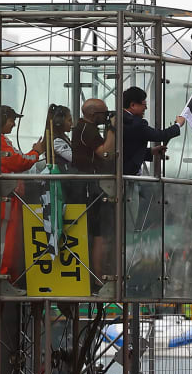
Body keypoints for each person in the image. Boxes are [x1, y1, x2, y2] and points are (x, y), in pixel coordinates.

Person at [0, 107, 43, 294]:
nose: (14, 124)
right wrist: (36, 152)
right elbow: (18, 161)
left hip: (5, 197)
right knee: (2, 241)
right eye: (12, 120)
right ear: (4, 119)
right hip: (2, 198)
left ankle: (3, 281)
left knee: (6, 242)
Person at [72, 98, 117, 283]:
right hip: (91, 188)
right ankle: (98, 276)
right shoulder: (87, 130)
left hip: (90, 187)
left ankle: (96, 275)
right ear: (92, 114)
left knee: (98, 234)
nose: (105, 117)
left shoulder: (83, 128)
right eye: (103, 114)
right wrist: (112, 129)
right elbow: (106, 152)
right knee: (99, 235)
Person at [117, 86, 182, 176]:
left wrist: (151, 151)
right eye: (144, 104)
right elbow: (160, 135)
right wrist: (178, 125)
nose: (146, 108)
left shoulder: (118, 118)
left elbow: (129, 150)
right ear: (133, 105)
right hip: (128, 175)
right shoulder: (136, 123)